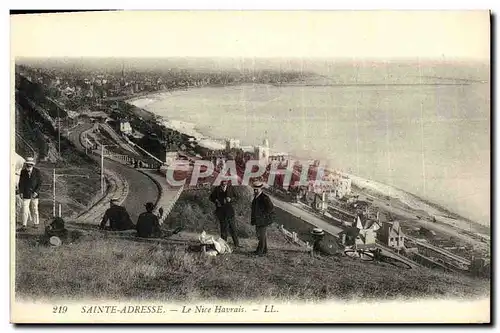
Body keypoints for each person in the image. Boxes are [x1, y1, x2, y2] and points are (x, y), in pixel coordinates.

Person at [209, 180, 240, 247]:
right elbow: (211, 197)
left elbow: (237, 197)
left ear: (227, 181)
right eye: (222, 181)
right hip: (221, 211)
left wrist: (231, 199)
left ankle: (236, 244)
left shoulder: (231, 188)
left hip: (230, 211)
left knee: (233, 228)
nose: (224, 183)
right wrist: (216, 200)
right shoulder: (217, 189)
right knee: (223, 229)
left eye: (225, 181)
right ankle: (224, 245)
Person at [17, 157, 42, 231]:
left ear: (32, 165)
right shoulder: (23, 172)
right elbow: (21, 183)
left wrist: (36, 192)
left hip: (35, 194)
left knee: (35, 209)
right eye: (27, 164)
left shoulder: (37, 171)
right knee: (24, 209)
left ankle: (36, 223)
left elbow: (40, 183)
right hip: (25, 194)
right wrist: (21, 192)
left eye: (30, 164)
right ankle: (24, 225)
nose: (28, 166)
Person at [250, 180, 275, 256]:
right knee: (261, 236)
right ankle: (264, 250)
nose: (255, 190)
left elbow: (270, 208)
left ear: (261, 189)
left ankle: (259, 252)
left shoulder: (265, 197)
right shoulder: (256, 197)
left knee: (261, 236)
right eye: (254, 189)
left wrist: (263, 215)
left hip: (263, 220)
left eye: (256, 189)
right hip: (258, 220)